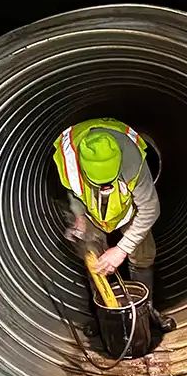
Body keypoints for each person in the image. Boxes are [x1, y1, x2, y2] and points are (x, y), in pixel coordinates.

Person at [53, 118, 175, 334]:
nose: (106, 187)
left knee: (143, 252)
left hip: (127, 207)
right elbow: (71, 190)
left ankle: (146, 310)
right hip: (92, 210)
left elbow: (150, 209)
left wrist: (121, 250)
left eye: (110, 181)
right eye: (101, 183)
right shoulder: (69, 160)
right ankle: (103, 315)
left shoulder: (132, 162)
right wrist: (79, 215)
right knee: (93, 256)